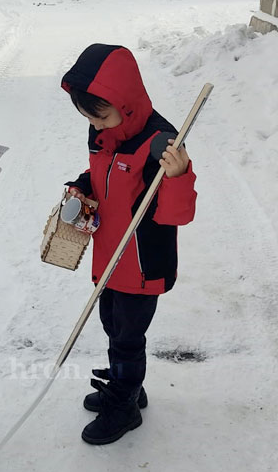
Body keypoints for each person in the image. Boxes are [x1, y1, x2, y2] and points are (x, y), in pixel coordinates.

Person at [61, 43, 197, 445]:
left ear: (125, 102)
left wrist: (179, 175)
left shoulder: (160, 144)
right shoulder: (104, 134)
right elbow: (100, 176)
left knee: (127, 336)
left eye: (99, 116)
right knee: (111, 325)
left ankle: (125, 406)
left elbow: (178, 215)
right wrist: (79, 188)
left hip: (140, 263)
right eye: (88, 116)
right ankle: (127, 387)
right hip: (110, 255)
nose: (95, 125)